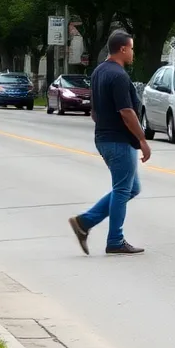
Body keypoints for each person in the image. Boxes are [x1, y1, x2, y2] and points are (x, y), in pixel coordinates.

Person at [70, 30, 151, 256]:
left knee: (130, 188)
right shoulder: (118, 76)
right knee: (123, 188)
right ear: (123, 49)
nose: (133, 52)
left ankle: (84, 222)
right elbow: (126, 112)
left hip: (104, 138)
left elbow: (94, 111)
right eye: (132, 48)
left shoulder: (98, 72)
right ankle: (115, 240)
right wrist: (142, 140)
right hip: (118, 140)